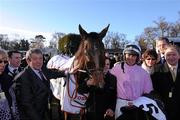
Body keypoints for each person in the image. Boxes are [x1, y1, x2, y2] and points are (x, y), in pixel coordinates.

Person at [14, 48, 67, 120]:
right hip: (32, 116)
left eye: (40, 58)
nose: (39, 61)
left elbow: (53, 73)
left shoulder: (43, 69)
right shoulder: (23, 78)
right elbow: (27, 105)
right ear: (28, 60)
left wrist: (67, 72)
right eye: (35, 59)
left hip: (44, 112)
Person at [110, 43, 153, 119]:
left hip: (137, 104)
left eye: (133, 55)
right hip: (121, 103)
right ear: (124, 55)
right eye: (128, 55)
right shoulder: (117, 68)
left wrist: (140, 102)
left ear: (137, 57)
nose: (130, 57)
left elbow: (148, 92)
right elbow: (105, 77)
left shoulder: (144, 73)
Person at [151, 45, 180, 120]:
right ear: (164, 56)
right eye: (168, 55)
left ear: (179, 56)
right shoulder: (156, 69)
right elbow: (153, 90)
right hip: (163, 110)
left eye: (174, 54)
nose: (171, 57)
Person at [0, 48, 20, 120]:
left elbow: (10, 100)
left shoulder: (6, 79)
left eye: (5, 61)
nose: (2, 64)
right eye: (0, 61)